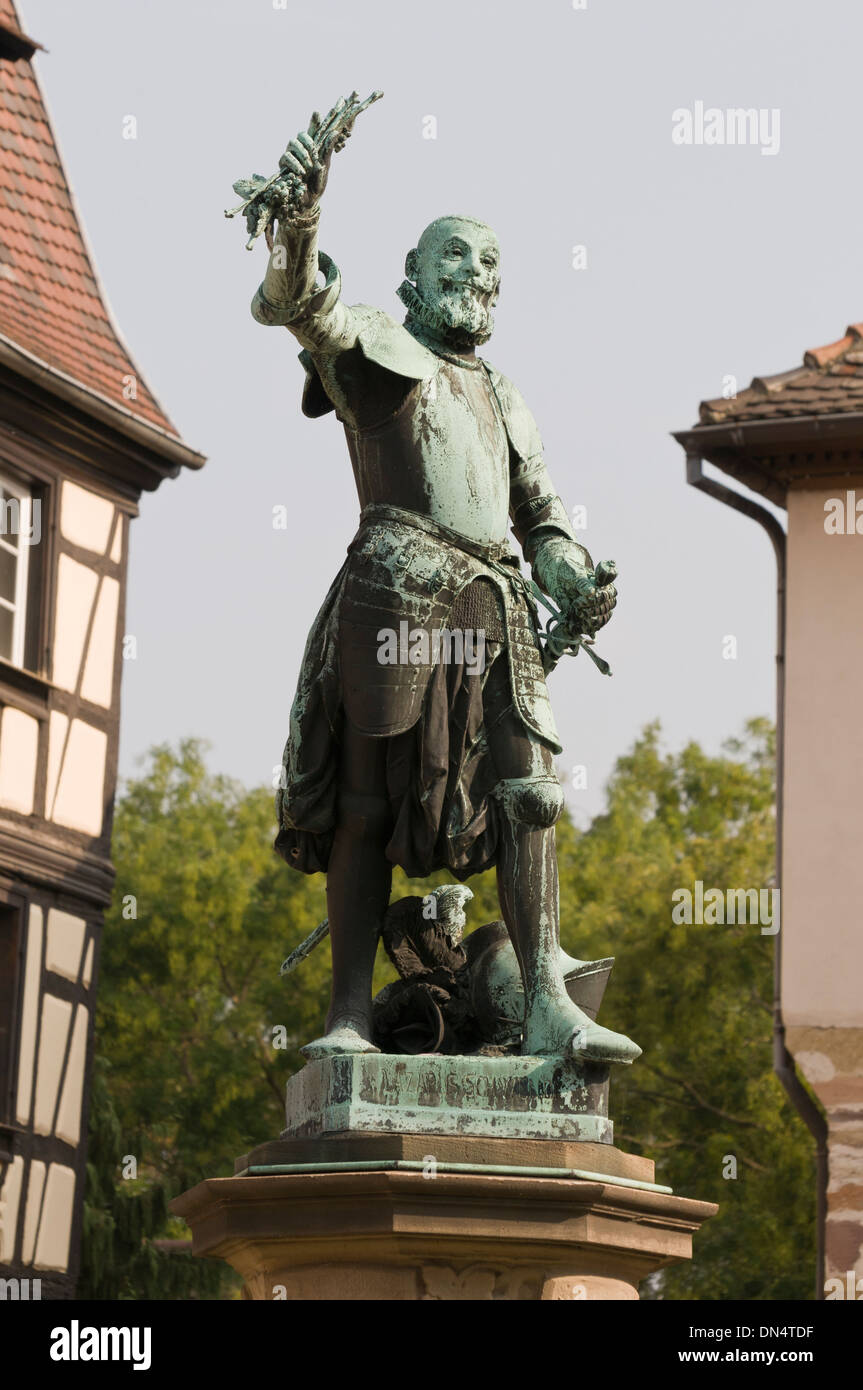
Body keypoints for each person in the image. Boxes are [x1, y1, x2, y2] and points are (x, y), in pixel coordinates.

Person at [250, 117, 640, 1067]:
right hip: (396, 587)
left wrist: (575, 577)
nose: (475, 273)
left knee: (531, 789)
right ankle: (348, 1014)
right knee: (365, 806)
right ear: (412, 277)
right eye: (454, 257)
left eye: (490, 264)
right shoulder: (378, 348)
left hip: (494, 600)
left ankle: (545, 997)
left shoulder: (505, 395)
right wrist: (297, 231)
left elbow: (541, 521)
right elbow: (302, 307)